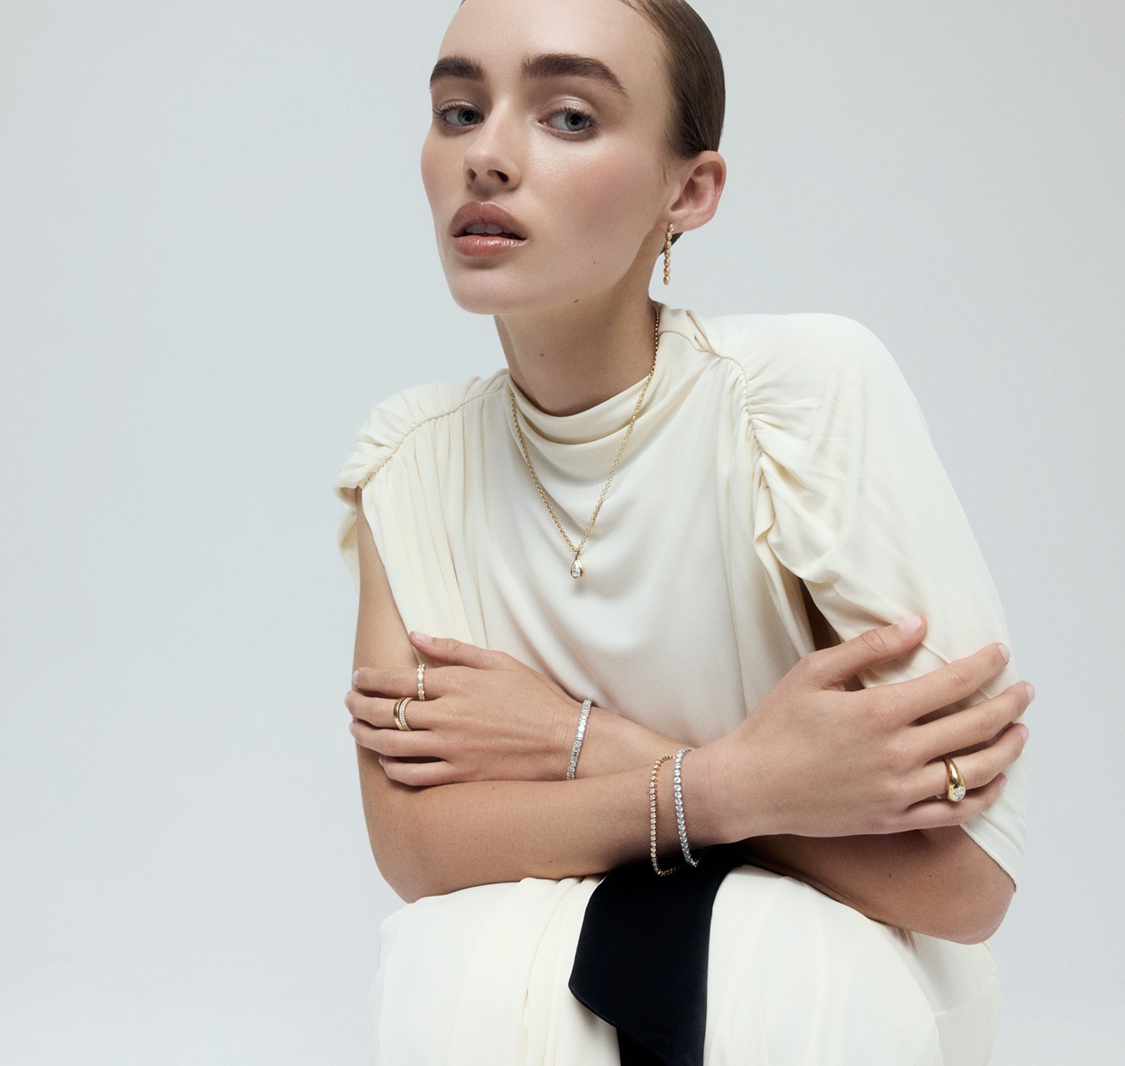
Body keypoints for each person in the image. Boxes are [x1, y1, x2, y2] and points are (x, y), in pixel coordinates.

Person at [334, 0, 1032, 1062]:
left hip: (821, 1019)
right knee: (446, 958)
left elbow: (963, 883)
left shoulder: (799, 399)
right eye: (459, 111)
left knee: (775, 963)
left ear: (689, 190)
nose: (487, 156)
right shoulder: (408, 461)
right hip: (532, 1023)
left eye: (568, 117)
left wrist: (578, 743)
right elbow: (420, 850)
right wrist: (751, 781)